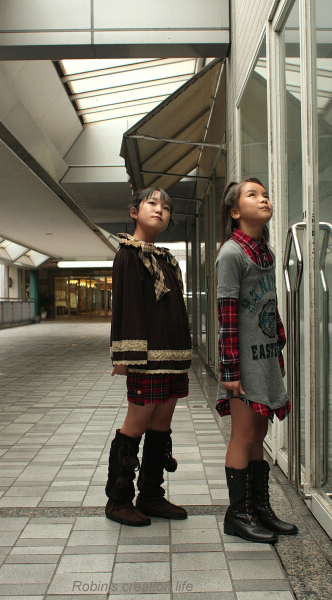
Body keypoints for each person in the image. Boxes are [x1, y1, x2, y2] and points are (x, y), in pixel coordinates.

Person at [216, 178, 298, 543]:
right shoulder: (231, 254)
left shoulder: (267, 253)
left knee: (260, 434)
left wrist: (277, 351)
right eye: (253, 195)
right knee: (244, 434)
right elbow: (227, 315)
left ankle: (258, 509)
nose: (264, 199)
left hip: (264, 359)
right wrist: (230, 368)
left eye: (265, 194)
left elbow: (270, 305)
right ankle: (237, 515)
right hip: (243, 363)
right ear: (235, 212)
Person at [105, 187, 192, 527]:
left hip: (172, 355)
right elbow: (126, 305)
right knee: (136, 424)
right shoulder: (129, 254)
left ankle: (151, 495)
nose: (159, 210)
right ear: (134, 211)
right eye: (152, 203)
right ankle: (118, 500)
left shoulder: (165, 258)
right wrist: (125, 355)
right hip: (147, 358)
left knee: (162, 424)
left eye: (165, 207)